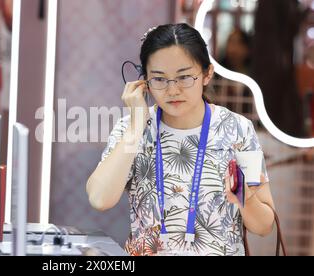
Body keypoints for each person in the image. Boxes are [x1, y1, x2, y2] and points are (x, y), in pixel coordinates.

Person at [86, 23, 275, 256]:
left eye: (184, 77)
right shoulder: (131, 129)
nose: (172, 90)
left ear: (207, 74)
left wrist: (242, 196)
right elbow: (99, 198)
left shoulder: (238, 130)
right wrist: (136, 125)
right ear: (144, 81)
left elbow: (265, 226)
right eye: (159, 79)